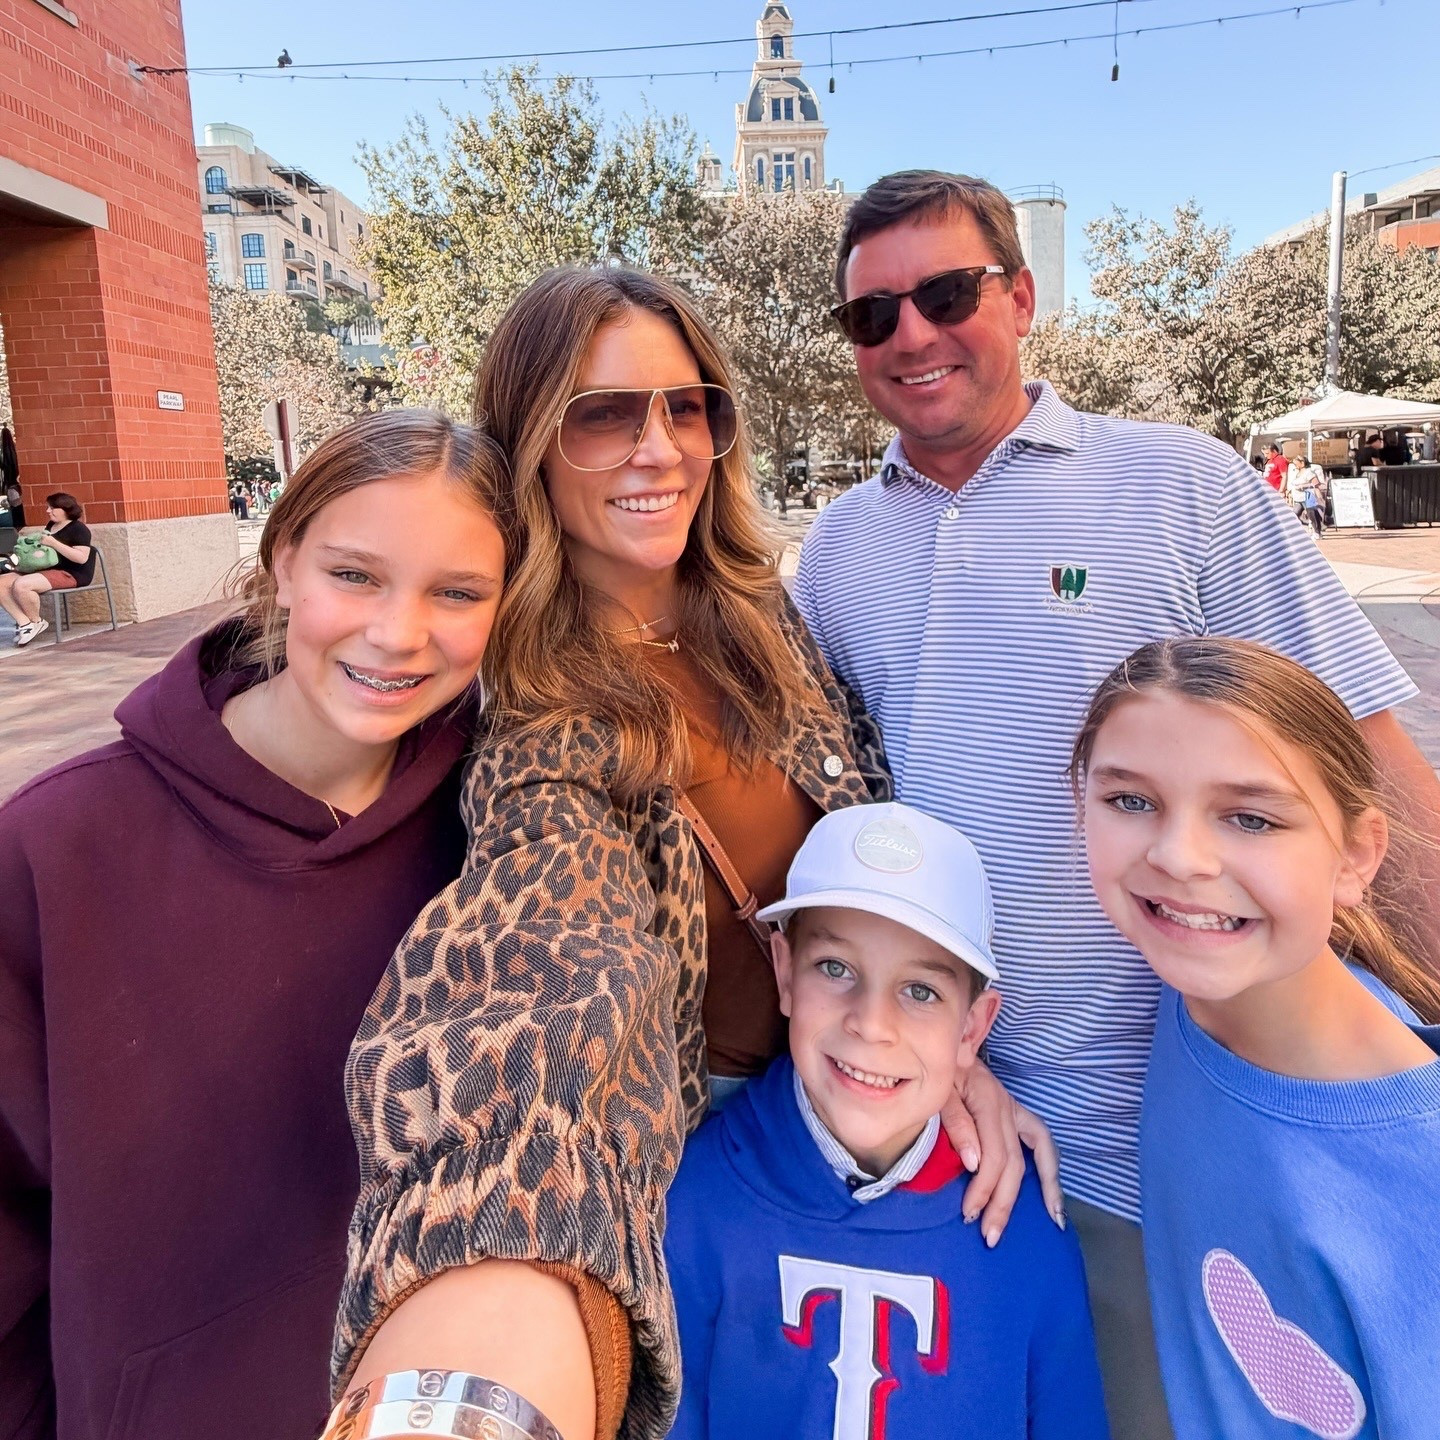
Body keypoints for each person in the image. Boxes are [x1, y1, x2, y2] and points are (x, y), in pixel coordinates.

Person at [327, 266, 1057, 1440]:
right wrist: (459, 1392)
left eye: (687, 406)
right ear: (529, 443)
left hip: (843, 1095)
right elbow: (550, 962)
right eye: (604, 413)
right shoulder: (528, 698)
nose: (658, 447)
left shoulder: (758, 615)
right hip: (696, 1148)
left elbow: (867, 830)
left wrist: (937, 1042)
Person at [793, 168, 1440, 1440]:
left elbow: (1361, 758)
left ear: (1022, 297)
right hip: (952, 1138)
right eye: (874, 316)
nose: (912, 334)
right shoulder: (838, 554)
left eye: (947, 293)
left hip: (1183, 1150)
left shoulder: (1179, 486)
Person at [0, 410, 509, 1440]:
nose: (397, 632)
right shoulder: (53, 850)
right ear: (282, 562)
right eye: (355, 575)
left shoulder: (509, 838)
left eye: (457, 592)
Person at [1071, 636, 1440, 1439]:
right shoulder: (1194, 992)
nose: (1178, 858)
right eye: (1130, 801)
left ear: (1356, 854)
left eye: (1250, 817)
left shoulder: (1416, 1176)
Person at [665, 802, 1110, 1439]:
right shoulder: (696, 1200)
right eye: (835, 969)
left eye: (920, 991)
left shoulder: (1024, 1232)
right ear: (786, 974)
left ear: (973, 1027)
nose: (871, 1024)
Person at [0, 491, 95, 646]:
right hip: (46, 569)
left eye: (52, 508)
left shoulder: (79, 529)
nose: (48, 511)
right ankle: (26, 624)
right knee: (2, 583)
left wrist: (54, 543)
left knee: (23, 585)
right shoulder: (52, 525)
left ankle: (36, 621)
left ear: (65, 509)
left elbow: (81, 558)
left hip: (71, 573)